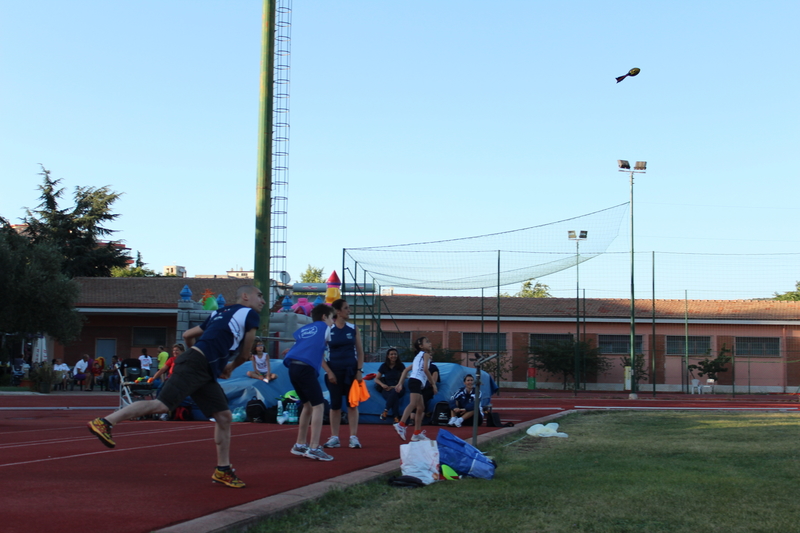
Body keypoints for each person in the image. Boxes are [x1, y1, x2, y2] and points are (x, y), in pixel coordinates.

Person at [88, 285, 265, 489]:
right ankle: (105, 422)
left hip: (201, 368)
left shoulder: (219, 312)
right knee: (162, 405)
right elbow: (245, 354)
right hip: (198, 366)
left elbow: (187, 335)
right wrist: (229, 367)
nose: (263, 301)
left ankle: (223, 470)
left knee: (224, 416)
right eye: (259, 296)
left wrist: (195, 353)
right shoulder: (250, 315)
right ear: (245, 296)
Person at [284, 304, 335, 461]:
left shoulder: (306, 329)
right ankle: (314, 447)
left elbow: (300, 345)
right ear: (324, 317)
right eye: (332, 318)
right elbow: (334, 341)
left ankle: (300, 444)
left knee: (307, 405)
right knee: (318, 406)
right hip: (305, 368)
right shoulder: (325, 328)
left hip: (293, 367)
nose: (333, 322)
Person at [322, 299, 365, 450]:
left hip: (351, 372)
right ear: (338, 311)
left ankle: (353, 437)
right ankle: (335, 437)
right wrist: (329, 372)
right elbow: (319, 353)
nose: (349, 310)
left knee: (352, 404)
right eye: (346, 308)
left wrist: (359, 371)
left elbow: (360, 353)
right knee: (335, 406)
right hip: (334, 372)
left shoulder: (353, 328)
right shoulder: (328, 329)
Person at [393, 337, 437, 442]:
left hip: (415, 382)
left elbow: (406, 370)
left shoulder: (418, 357)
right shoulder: (424, 355)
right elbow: (426, 370)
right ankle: (401, 424)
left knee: (420, 408)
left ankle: (417, 433)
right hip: (416, 381)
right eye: (427, 342)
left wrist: (400, 383)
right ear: (421, 346)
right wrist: (433, 384)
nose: (430, 343)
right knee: (413, 404)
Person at [373, 347, 405, 422]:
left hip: (398, 387)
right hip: (386, 388)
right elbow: (376, 379)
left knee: (395, 391)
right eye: (391, 354)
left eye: (395, 354)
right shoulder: (384, 366)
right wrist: (382, 385)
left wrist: (395, 386)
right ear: (388, 356)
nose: (393, 356)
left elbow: (402, 379)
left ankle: (385, 410)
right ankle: (396, 417)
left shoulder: (401, 366)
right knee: (394, 397)